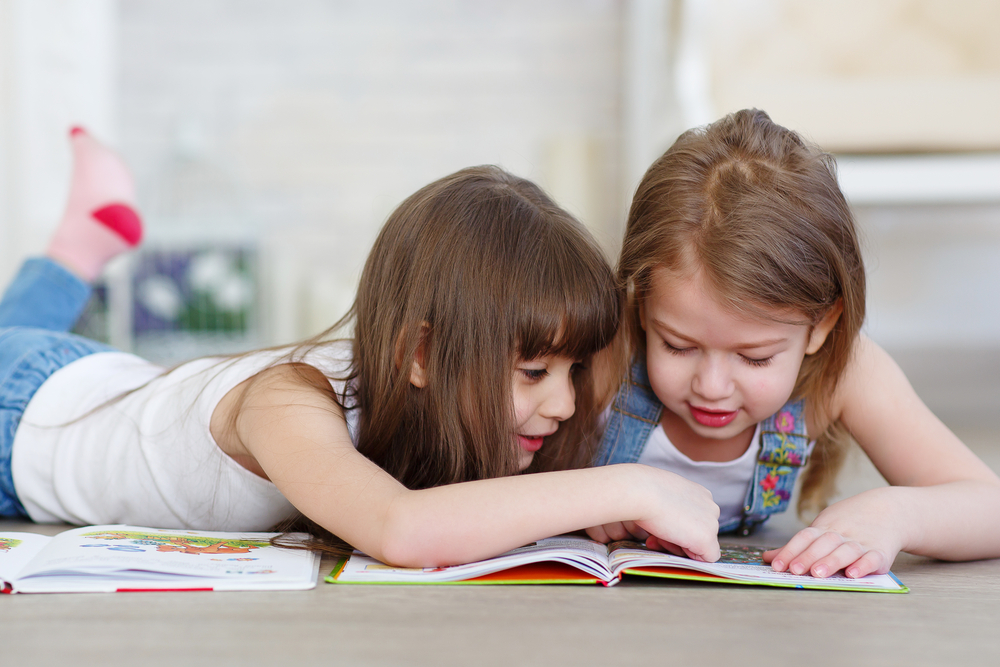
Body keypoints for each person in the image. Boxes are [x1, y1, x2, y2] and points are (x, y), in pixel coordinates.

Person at [0, 128, 721, 567]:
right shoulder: (286, 402)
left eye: (572, 370)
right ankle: (75, 249)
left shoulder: (425, 399)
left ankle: (79, 245)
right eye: (534, 371)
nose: (563, 404)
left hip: (91, 381)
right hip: (18, 421)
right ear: (421, 355)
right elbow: (399, 528)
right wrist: (629, 486)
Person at [591, 109, 1000, 579]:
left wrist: (896, 514)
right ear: (642, 304)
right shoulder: (607, 351)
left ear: (821, 326)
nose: (712, 386)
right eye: (678, 346)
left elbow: (989, 507)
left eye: (755, 357)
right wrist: (588, 496)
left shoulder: (843, 373)